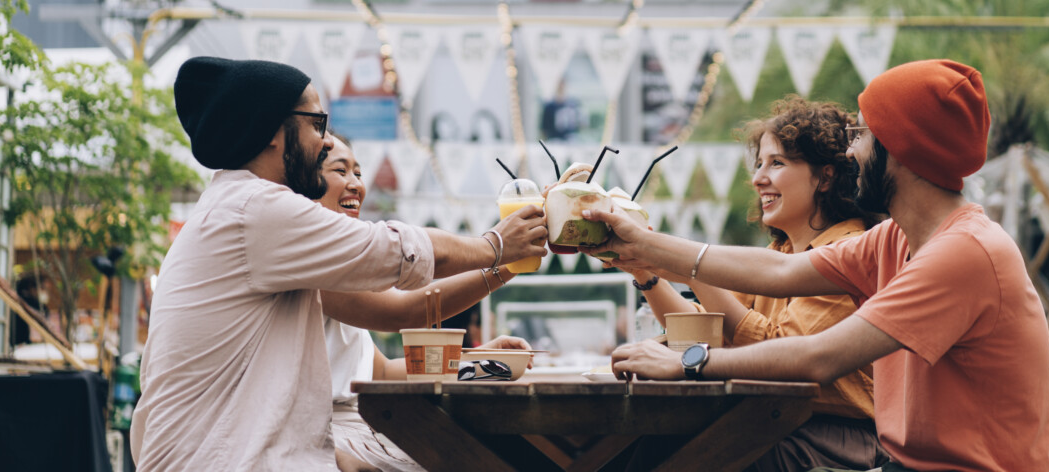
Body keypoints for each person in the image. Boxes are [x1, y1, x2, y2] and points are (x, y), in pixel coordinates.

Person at [586, 60, 1049, 472]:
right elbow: (779, 274)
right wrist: (643, 245)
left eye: (863, 135)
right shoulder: (895, 238)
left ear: (902, 148)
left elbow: (818, 357)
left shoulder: (964, 252)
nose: (850, 152)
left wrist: (689, 363)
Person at [131, 57, 547, 471]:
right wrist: (497, 246)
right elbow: (400, 276)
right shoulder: (256, 210)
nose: (326, 141)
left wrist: (479, 364)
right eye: (317, 124)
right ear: (274, 132)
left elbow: (380, 370)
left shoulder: (249, 213)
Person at [619, 97, 885, 471]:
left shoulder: (849, 249)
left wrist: (697, 270)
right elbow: (703, 332)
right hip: (772, 419)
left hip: (832, 434)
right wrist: (645, 274)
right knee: (650, 446)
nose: (758, 178)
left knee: (668, 454)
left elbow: (783, 352)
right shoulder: (780, 251)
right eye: (758, 164)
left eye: (777, 163)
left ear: (825, 176)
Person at [316, 134, 531, 472]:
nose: (355, 183)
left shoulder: (342, 262)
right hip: (334, 441)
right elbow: (405, 310)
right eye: (340, 171)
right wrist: (502, 262)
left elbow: (384, 373)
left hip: (371, 431)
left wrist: (478, 363)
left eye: (358, 173)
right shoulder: (313, 258)